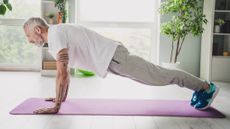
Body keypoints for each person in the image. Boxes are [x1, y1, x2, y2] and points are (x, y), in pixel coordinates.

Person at [23, 17, 219, 114]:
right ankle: (202, 87)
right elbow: (64, 73)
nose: (29, 40)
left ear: (38, 30)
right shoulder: (57, 34)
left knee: (161, 76)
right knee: (159, 75)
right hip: (113, 58)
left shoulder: (55, 35)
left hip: (114, 58)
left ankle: (206, 87)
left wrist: (57, 106)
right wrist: (61, 99)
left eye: (29, 36)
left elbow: (61, 75)